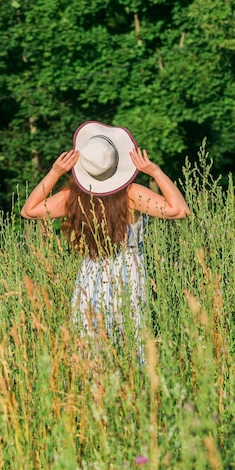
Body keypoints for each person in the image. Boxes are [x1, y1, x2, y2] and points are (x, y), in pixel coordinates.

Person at [21, 121, 190, 359]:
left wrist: (55, 172)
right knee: (133, 344)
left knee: (92, 350)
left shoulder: (72, 196)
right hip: (130, 275)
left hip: (91, 276)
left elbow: (29, 211)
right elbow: (179, 210)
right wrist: (155, 172)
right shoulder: (131, 194)